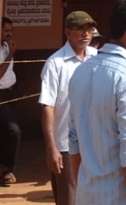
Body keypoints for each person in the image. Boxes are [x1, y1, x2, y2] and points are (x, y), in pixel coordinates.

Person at [67, 0, 126, 205]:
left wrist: (85, 186)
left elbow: (74, 143)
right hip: (119, 198)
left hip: (86, 196)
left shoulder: (81, 72)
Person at [39, 11, 98, 205]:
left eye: (89, 29)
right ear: (67, 32)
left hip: (95, 143)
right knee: (69, 199)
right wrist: (52, 148)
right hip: (66, 145)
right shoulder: (55, 64)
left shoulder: (96, 58)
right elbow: (48, 106)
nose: (86, 34)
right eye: (79, 29)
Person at [0, 16, 21, 187]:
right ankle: (5, 168)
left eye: (11, 31)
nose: (9, 34)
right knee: (13, 131)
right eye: (6, 31)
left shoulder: (6, 46)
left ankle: (1, 171)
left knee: (6, 134)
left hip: (10, 93)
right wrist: (11, 54)